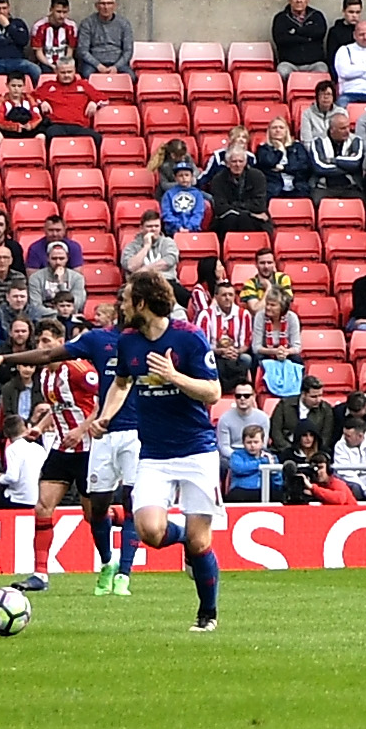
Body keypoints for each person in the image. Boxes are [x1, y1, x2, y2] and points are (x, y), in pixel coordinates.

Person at [114, 267, 231, 632]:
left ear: (143, 302)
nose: (121, 304)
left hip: (196, 450)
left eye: (126, 298)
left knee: (200, 544)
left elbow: (213, 393)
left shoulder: (189, 338)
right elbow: (121, 384)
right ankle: (178, 535)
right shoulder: (128, 341)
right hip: (154, 453)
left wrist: (174, 377)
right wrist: (101, 418)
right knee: (149, 530)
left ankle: (207, 614)